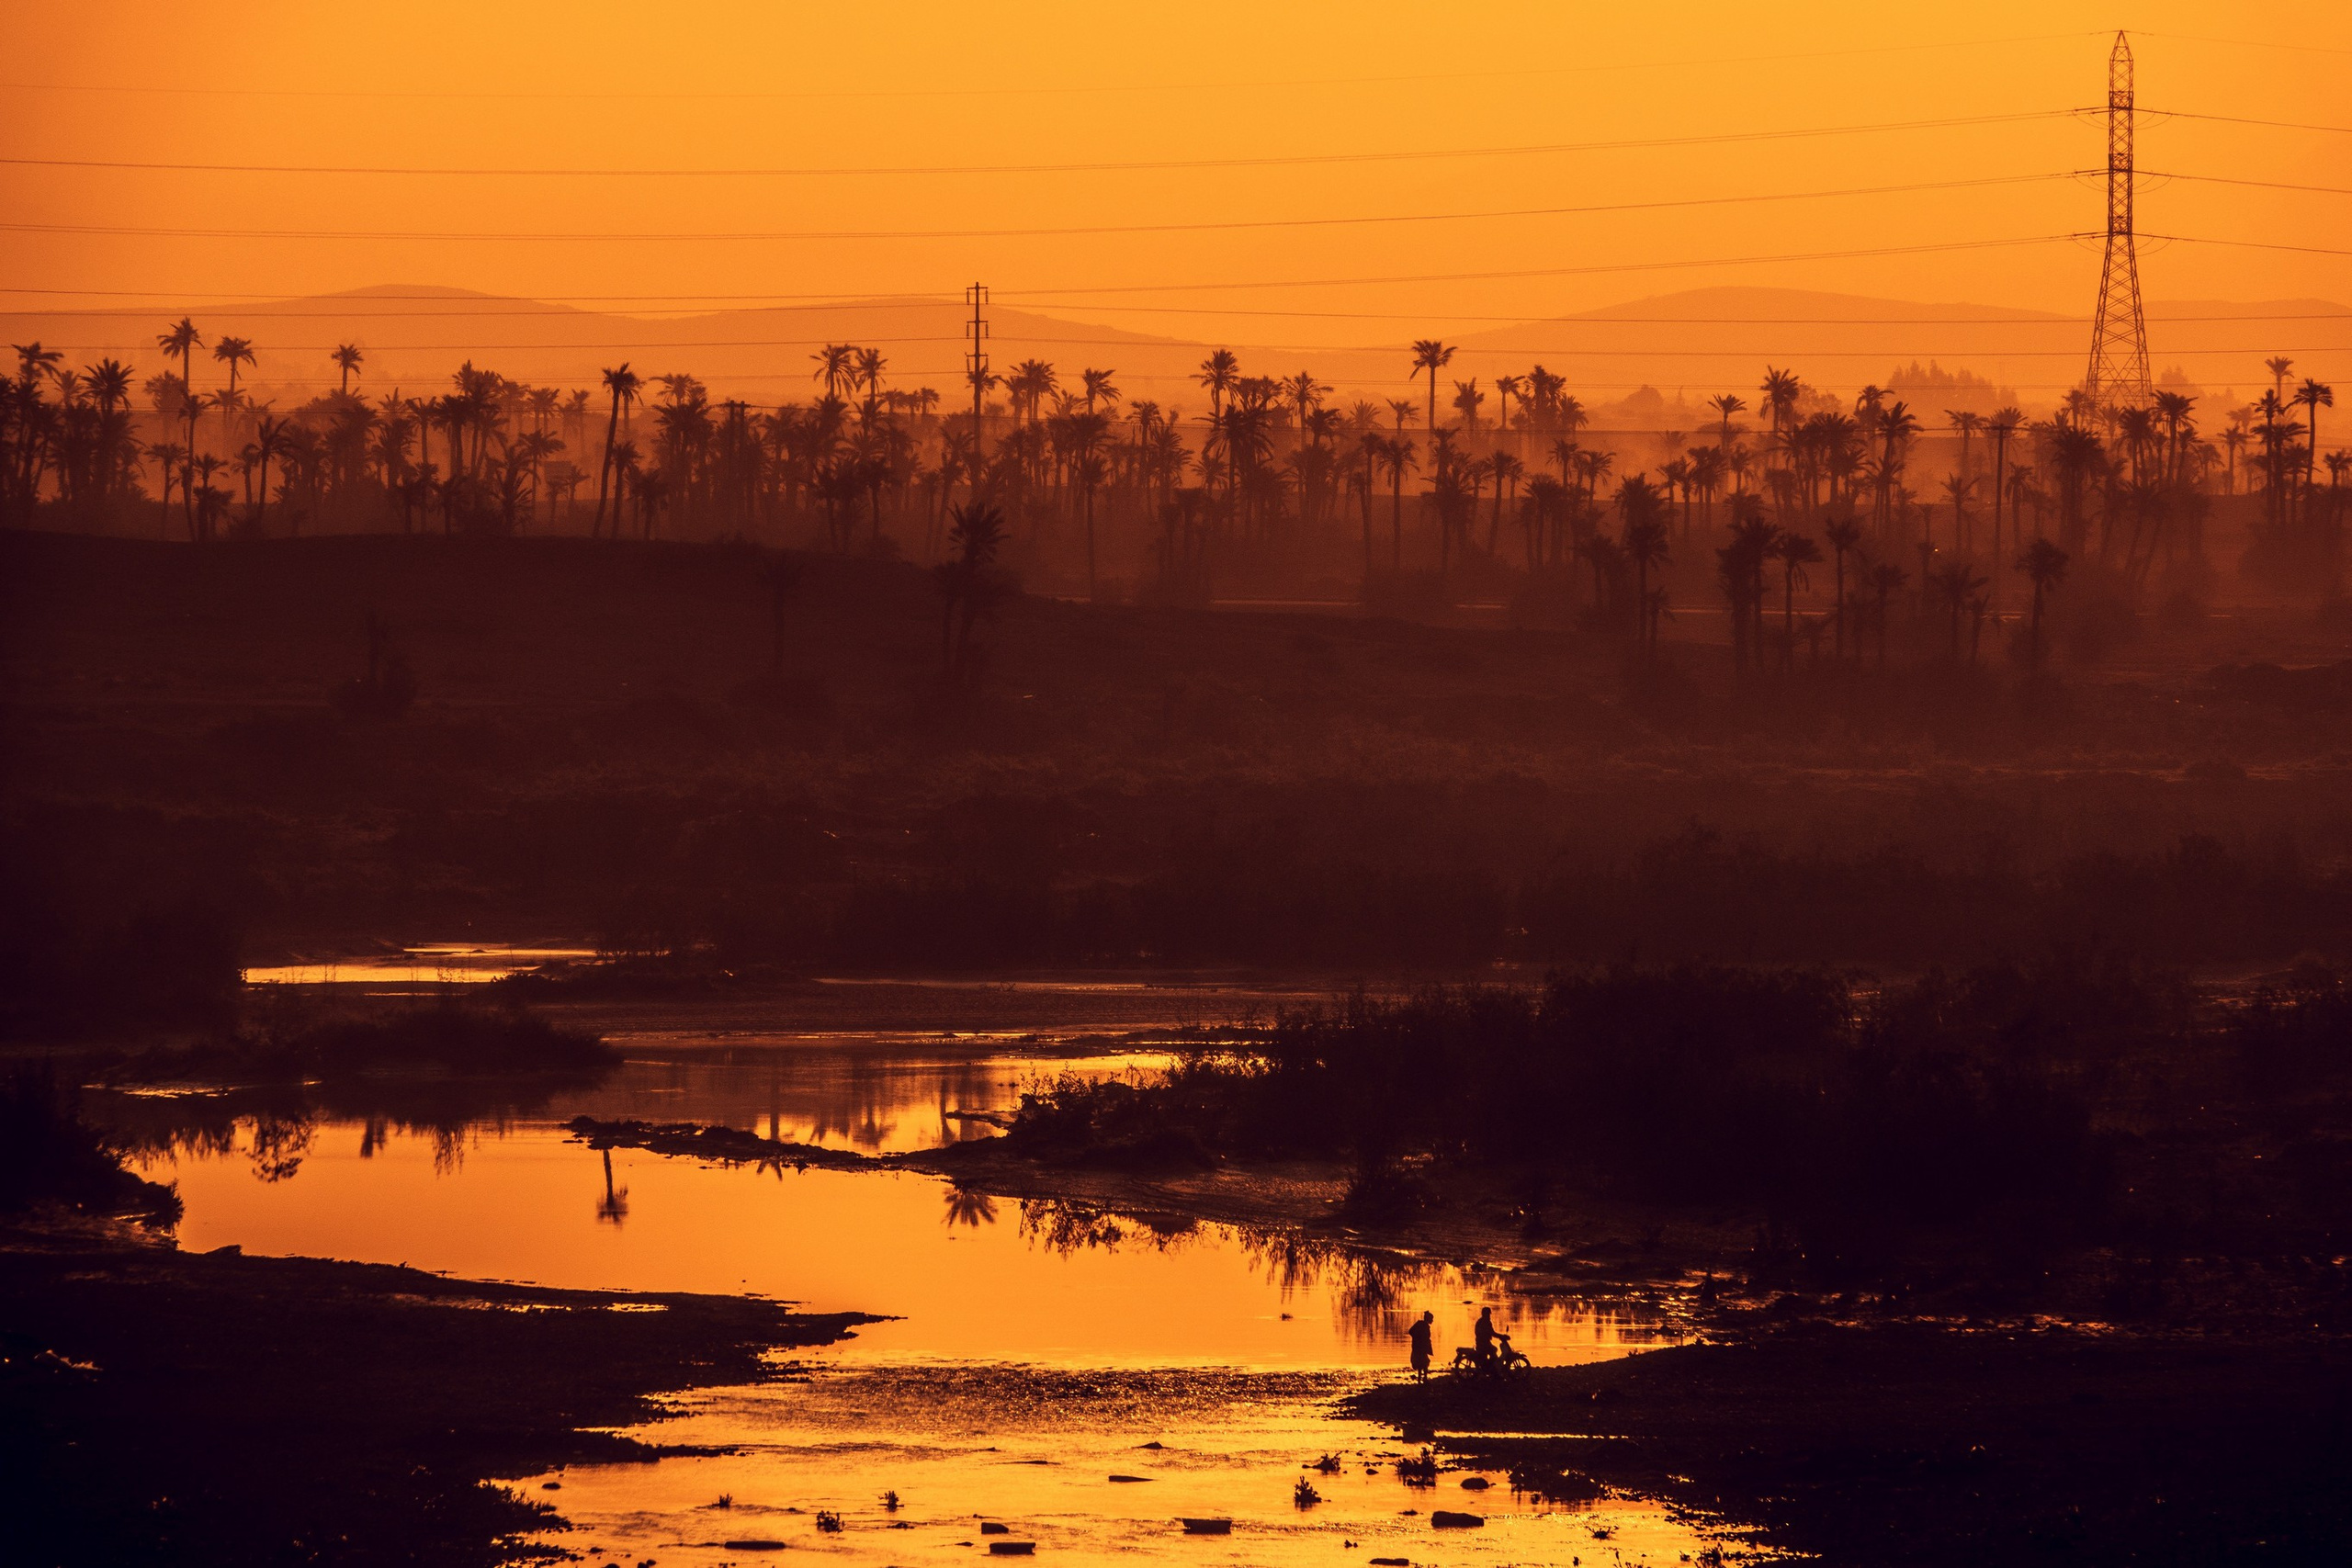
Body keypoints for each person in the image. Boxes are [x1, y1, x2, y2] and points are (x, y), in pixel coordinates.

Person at [1407, 1311, 1434, 1381]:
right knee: (1424, 1361)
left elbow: (1411, 1331)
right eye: (1431, 1319)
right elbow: (1411, 1332)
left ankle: (1421, 1377)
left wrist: (1416, 1338)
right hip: (1420, 1347)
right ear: (1428, 1319)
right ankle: (1424, 1377)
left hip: (1418, 1346)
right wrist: (1418, 1338)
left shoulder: (1420, 1324)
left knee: (1421, 1361)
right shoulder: (1424, 1326)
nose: (1432, 1320)